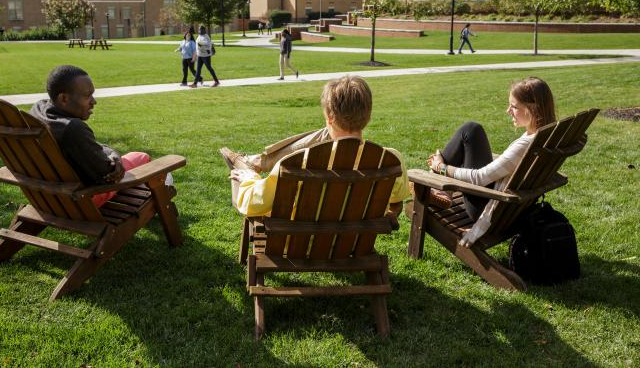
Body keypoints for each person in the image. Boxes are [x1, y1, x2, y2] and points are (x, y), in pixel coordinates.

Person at [220, 75, 409, 222]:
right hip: (353, 243)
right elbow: (396, 205)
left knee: (243, 181)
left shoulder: (298, 162)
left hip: (297, 244)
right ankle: (248, 163)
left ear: (329, 117)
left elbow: (253, 204)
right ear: (368, 115)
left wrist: (250, 179)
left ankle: (245, 166)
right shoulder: (391, 159)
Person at [426, 77, 556, 247]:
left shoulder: (526, 145)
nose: (508, 110)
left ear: (533, 108)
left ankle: (439, 187)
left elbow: (479, 178)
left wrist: (442, 168)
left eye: (514, 107)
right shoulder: (547, 136)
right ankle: (443, 192)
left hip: (489, 207)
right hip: (512, 210)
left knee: (471, 129)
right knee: (472, 131)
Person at [29, 65, 172, 207]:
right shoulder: (72, 129)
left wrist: (111, 152)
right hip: (80, 202)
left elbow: (90, 147)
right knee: (141, 157)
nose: (93, 101)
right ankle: (160, 199)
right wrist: (116, 157)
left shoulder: (38, 110)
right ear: (64, 99)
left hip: (45, 199)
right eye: (87, 95)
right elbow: (109, 175)